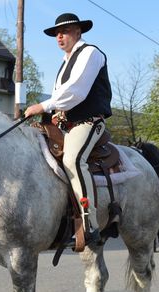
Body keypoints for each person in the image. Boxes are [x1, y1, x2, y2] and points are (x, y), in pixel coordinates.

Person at [24, 12, 112, 246]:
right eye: (56, 34)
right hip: (69, 124)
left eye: (64, 32)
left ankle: (89, 222)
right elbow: (63, 99)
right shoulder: (65, 62)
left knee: (73, 160)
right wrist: (55, 114)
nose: (59, 37)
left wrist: (43, 106)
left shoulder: (90, 53)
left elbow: (76, 91)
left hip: (89, 122)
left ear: (78, 32)